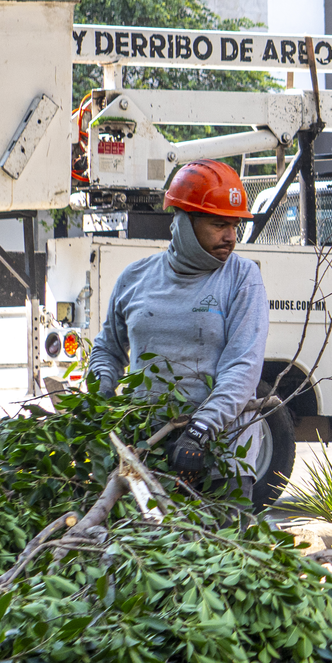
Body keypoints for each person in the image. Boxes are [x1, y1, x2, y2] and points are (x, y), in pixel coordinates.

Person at [89, 160, 269, 483]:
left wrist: (200, 430)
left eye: (235, 226)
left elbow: (243, 367)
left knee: (224, 535)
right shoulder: (134, 279)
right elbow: (107, 349)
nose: (231, 237)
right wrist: (99, 394)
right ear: (185, 222)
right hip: (147, 453)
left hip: (221, 459)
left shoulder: (243, 278)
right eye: (219, 224)